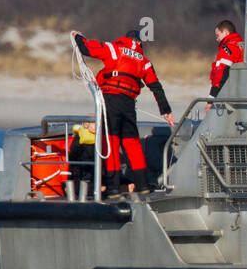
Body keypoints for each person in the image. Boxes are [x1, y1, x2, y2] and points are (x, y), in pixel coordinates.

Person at [74, 29, 176, 200]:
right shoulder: (144, 61)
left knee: (111, 143)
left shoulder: (114, 49)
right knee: (132, 143)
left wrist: (77, 36)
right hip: (128, 104)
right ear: (140, 44)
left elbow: (86, 49)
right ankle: (142, 185)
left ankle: (113, 189)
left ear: (125, 39)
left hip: (111, 101)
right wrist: (166, 111)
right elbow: (156, 87)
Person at [205, 19, 244, 114]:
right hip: (242, 90)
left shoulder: (227, 48)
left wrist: (211, 99)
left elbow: (220, 73)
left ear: (226, 32)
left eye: (218, 35)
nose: (217, 39)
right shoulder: (243, 45)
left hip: (230, 93)